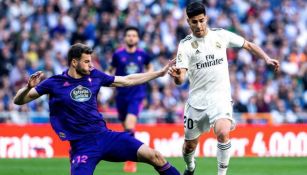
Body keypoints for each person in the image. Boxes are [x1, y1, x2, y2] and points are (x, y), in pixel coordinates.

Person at [13, 43, 180, 175]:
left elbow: (127, 80)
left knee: (155, 156)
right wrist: (28, 88)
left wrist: (159, 73)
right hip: (82, 145)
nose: (90, 64)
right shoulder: (54, 83)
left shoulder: (94, 75)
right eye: (86, 61)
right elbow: (18, 100)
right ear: (74, 62)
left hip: (105, 136)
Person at [168, 2, 280, 175]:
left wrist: (266, 58)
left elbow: (248, 45)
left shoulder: (220, 35)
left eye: (201, 20)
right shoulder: (185, 45)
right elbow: (181, 77)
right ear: (188, 22)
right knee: (189, 146)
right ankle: (190, 167)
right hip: (196, 103)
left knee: (223, 133)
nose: (199, 25)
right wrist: (177, 77)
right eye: (194, 22)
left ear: (206, 18)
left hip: (220, 99)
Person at [108, 26, 153, 172]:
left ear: (137, 38)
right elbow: (110, 71)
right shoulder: (118, 55)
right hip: (121, 96)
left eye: (134, 35)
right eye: (129, 35)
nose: (131, 38)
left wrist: (147, 78)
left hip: (137, 95)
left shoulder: (143, 55)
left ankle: (131, 159)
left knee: (129, 125)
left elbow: (150, 68)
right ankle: (131, 153)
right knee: (126, 128)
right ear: (125, 38)